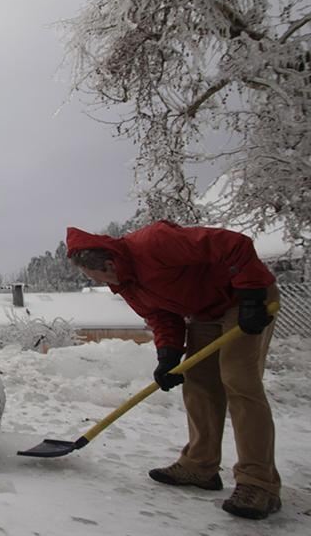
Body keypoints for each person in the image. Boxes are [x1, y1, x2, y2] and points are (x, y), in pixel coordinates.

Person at [65, 220, 281, 520]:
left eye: (97, 276)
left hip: (244, 298)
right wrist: (168, 356)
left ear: (110, 264)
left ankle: (259, 483)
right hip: (206, 312)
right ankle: (200, 466)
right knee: (199, 382)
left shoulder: (154, 243)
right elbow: (161, 316)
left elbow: (234, 244)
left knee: (238, 379)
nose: (102, 283)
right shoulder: (127, 285)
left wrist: (253, 295)